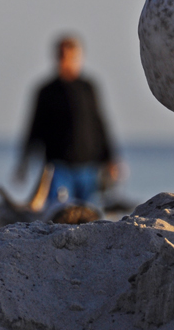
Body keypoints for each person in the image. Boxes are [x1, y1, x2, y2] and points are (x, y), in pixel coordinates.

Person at [14, 34, 120, 210]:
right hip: (57, 167)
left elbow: (100, 124)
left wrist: (111, 159)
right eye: (62, 56)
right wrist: (24, 162)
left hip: (89, 168)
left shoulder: (88, 88)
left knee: (90, 217)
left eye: (70, 56)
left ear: (79, 57)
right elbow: (34, 128)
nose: (66, 60)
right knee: (58, 214)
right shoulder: (46, 91)